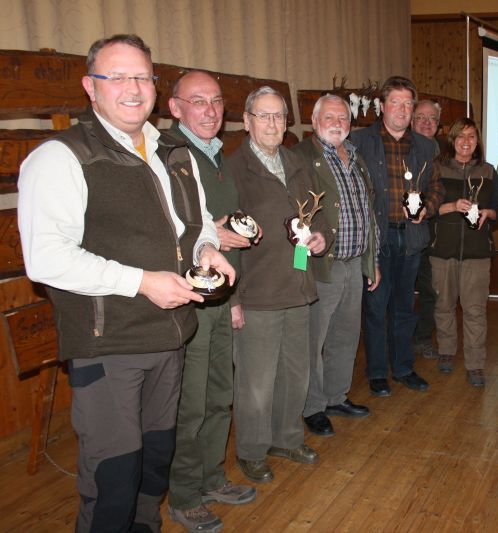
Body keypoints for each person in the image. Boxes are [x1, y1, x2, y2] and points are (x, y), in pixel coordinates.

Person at [17, 34, 235, 532]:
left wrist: (207, 249)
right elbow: (46, 259)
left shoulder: (174, 151)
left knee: (152, 468)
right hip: (108, 346)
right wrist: (141, 282)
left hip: (172, 337)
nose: (132, 88)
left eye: (141, 76)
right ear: (90, 88)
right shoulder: (61, 157)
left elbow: (197, 221)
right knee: (113, 479)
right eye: (116, 77)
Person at [162, 70, 257, 532]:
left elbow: (224, 230)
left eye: (217, 101)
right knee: (191, 403)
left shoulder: (216, 155)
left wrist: (233, 298)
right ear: (174, 107)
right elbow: (169, 229)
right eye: (197, 101)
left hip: (219, 297)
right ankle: (183, 494)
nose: (210, 110)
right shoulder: (167, 156)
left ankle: (211, 478)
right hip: (187, 299)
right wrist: (210, 236)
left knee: (220, 395)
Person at [228, 86, 331, 483]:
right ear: (247, 121)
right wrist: (232, 298)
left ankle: (287, 438)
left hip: (299, 284)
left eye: (278, 116)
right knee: (256, 380)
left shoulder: (296, 162)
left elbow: (314, 217)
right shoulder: (233, 169)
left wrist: (322, 238)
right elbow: (221, 239)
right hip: (258, 291)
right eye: (263, 115)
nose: (272, 123)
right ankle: (252, 449)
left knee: (296, 372)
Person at [350, 76, 444, 397]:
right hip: (377, 239)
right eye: (396, 103)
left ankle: (403, 367)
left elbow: (436, 188)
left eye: (408, 104)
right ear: (382, 106)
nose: (402, 110)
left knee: (405, 306)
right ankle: (377, 372)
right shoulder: (359, 141)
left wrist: (426, 209)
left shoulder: (425, 145)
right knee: (376, 307)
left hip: (411, 239)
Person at [292, 94, 379, 437]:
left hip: (354, 261)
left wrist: (372, 261)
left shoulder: (355, 156)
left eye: (343, 117)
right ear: (314, 122)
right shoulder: (301, 157)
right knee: (315, 339)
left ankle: (335, 396)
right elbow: (294, 213)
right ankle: (312, 406)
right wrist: (300, 265)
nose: (338, 123)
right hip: (320, 266)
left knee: (345, 334)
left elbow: (367, 214)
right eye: (329, 117)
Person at [429, 117, 498, 387]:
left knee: (475, 310)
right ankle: (447, 352)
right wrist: (449, 207)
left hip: (477, 253)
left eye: (472, 136)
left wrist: (488, 212)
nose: (466, 141)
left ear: (477, 141)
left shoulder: (488, 170)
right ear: (452, 140)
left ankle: (475, 364)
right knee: (444, 305)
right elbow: (423, 208)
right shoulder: (437, 168)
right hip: (443, 250)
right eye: (461, 136)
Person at [411, 99, 442, 360]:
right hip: (404, 230)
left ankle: (422, 338)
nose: (426, 122)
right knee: (401, 288)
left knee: (431, 288)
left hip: (435, 230)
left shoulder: (444, 154)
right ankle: (400, 337)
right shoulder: (401, 148)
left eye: (431, 118)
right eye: (421, 117)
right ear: (411, 120)